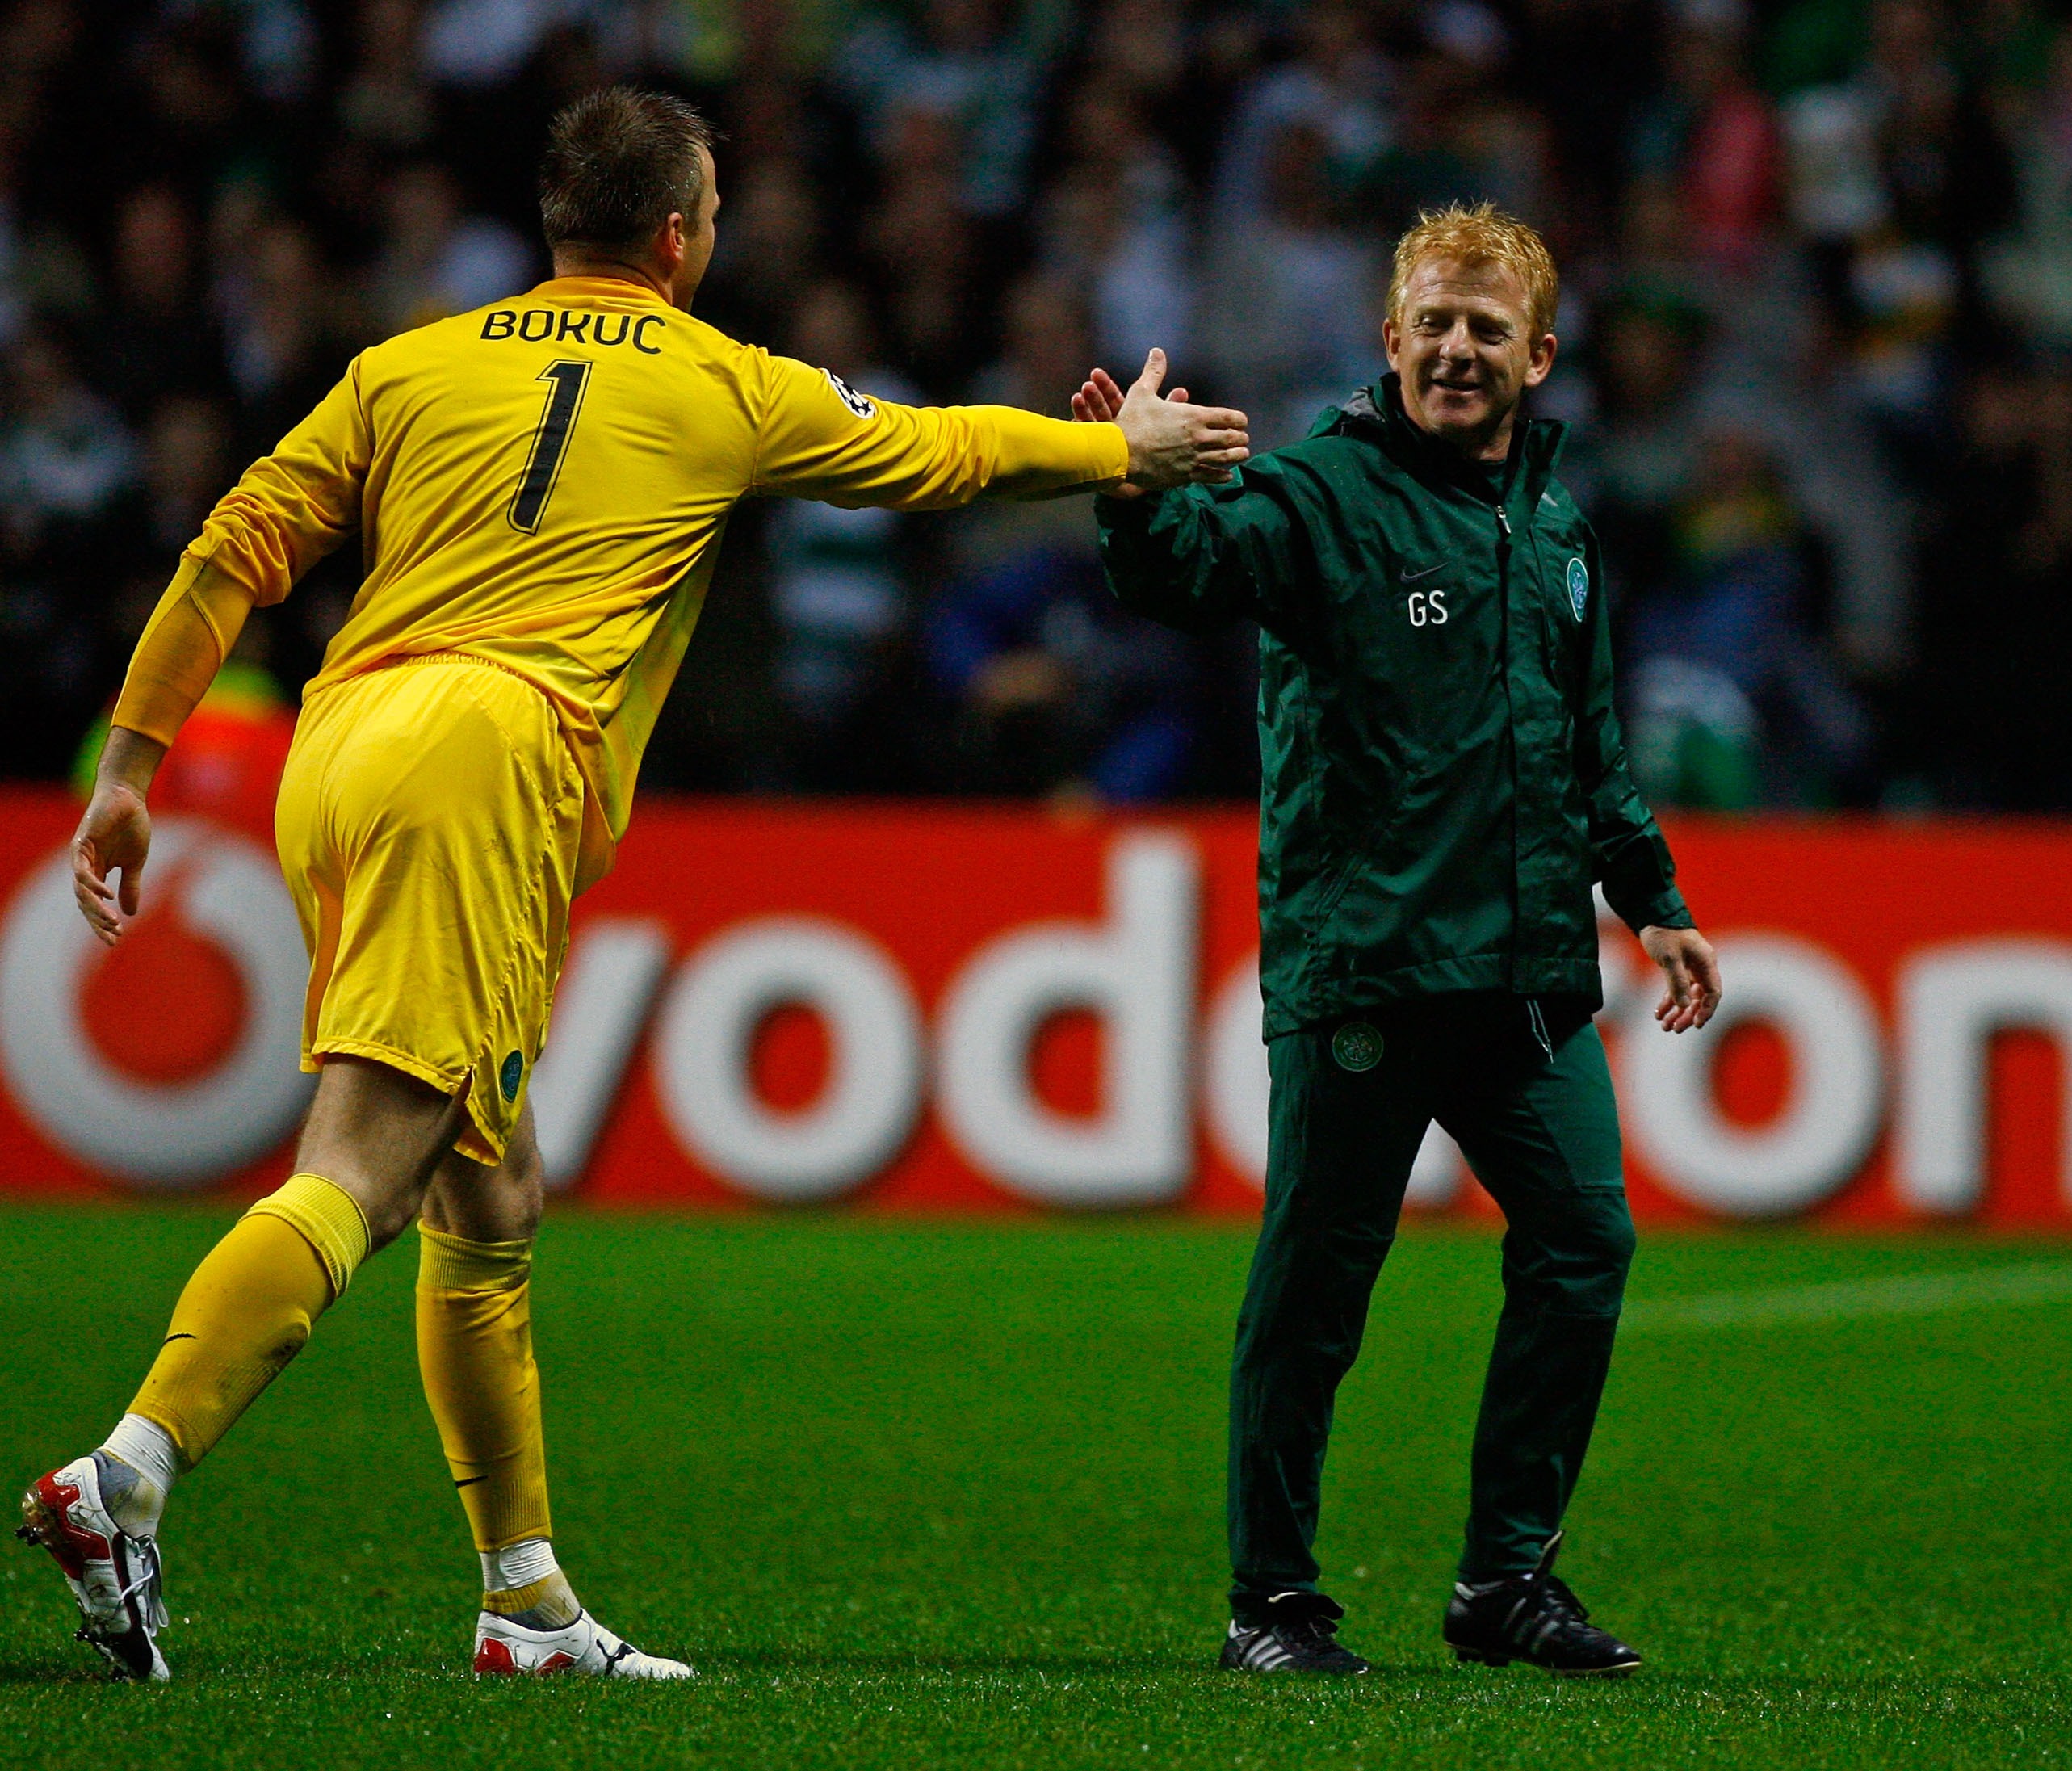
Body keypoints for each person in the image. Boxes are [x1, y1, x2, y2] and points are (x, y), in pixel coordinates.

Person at [21, 86, 1246, 1685]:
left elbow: (235, 545)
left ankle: (524, 1601)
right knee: (371, 1161)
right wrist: (1119, 448)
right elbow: (940, 456)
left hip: (345, 736)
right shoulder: (726, 382)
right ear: (681, 234)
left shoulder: (409, 363)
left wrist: (128, 763)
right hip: (495, 752)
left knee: (490, 1183)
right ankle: (127, 1469)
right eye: (716, 208)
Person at [1080, 202, 1722, 1677]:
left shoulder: (1557, 523)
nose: (1454, 345)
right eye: (1431, 320)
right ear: (1390, 339)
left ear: (1538, 357)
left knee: (1585, 1241)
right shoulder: (1325, 494)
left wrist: (1656, 900)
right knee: (1316, 1287)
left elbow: (1587, 742)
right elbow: (1185, 567)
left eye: (1484, 327)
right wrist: (1133, 483)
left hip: (1526, 977)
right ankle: (1274, 1603)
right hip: (1364, 964)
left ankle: (1506, 1580)